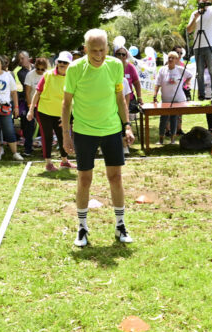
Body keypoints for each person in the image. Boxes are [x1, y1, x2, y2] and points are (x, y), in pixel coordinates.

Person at [62, 29, 135, 247]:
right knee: (85, 179)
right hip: (84, 132)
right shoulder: (75, 69)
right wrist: (67, 135)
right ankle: (82, 228)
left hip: (112, 130)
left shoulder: (115, 65)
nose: (98, 55)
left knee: (116, 178)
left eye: (102, 50)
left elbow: (120, 98)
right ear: (85, 49)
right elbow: (66, 104)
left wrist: (127, 126)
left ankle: (120, 225)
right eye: (94, 50)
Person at [27, 51, 76, 172]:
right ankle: (48, 163)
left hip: (61, 113)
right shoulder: (48, 75)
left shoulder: (72, 78)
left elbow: (74, 98)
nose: (62, 64)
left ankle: (64, 161)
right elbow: (37, 93)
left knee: (63, 136)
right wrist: (31, 110)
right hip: (44, 112)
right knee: (47, 136)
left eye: (65, 62)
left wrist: (68, 116)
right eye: (60, 61)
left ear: (70, 64)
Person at [187, 0, 212, 103]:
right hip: (197, 45)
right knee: (200, 72)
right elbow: (189, 30)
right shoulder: (194, 13)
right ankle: (201, 94)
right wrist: (195, 17)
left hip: (210, 44)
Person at [0, 54, 23, 162]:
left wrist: (16, 106)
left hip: (6, 108)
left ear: (2, 63)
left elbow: (14, 92)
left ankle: (15, 153)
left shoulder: (8, 76)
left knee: (9, 130)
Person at [153, 51, 192, 145]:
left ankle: (172, 139)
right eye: (169, 57)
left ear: (176, 60)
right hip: (165, 99)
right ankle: (161, 139)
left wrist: (184, 83)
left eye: (173, 58)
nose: (170, 59)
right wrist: (155, 95)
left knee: (174, 118)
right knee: (163, 119)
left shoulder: (180, 69)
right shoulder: (162, 70)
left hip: (178, 99)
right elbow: (157, 84)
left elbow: (190, 75)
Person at [23, 56, 47, 157]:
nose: (40, 71)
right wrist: (30, 107)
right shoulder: (30, 75)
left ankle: (45, 150)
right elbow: (28, 93)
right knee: (29, 127)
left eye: (42, 69)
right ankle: (28, 149)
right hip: (32, 103)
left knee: (45, 128)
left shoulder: (47, 75)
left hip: (44, 105)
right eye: (38, 69)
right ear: (35, 67)